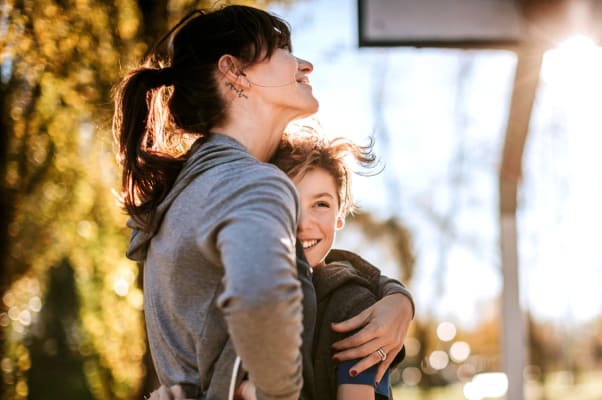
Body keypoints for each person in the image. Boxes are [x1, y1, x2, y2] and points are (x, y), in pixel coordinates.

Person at [113, 5, 413, 399]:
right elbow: (260, 301)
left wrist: (395, 297)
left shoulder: (186, 190)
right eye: (284, 51)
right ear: (235, 72)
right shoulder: (253, 183)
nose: (305, 66)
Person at [270, 132, 404, 400]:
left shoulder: (352, 304)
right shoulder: (236, 289)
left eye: (321, 204)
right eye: (288, 202)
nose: (303, 222)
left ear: (339, 216)